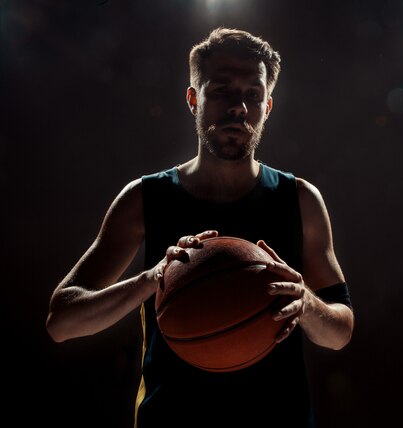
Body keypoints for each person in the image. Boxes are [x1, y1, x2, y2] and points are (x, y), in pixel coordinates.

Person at [45, 27, 354, 427]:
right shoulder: (146, 197)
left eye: (253, 94)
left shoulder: (300, 200)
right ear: (194, 98)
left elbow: (341, 329)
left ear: (268, 106)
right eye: (222, 89)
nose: (239, 106)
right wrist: (148, 281)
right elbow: (61, 321)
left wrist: (306, 303)